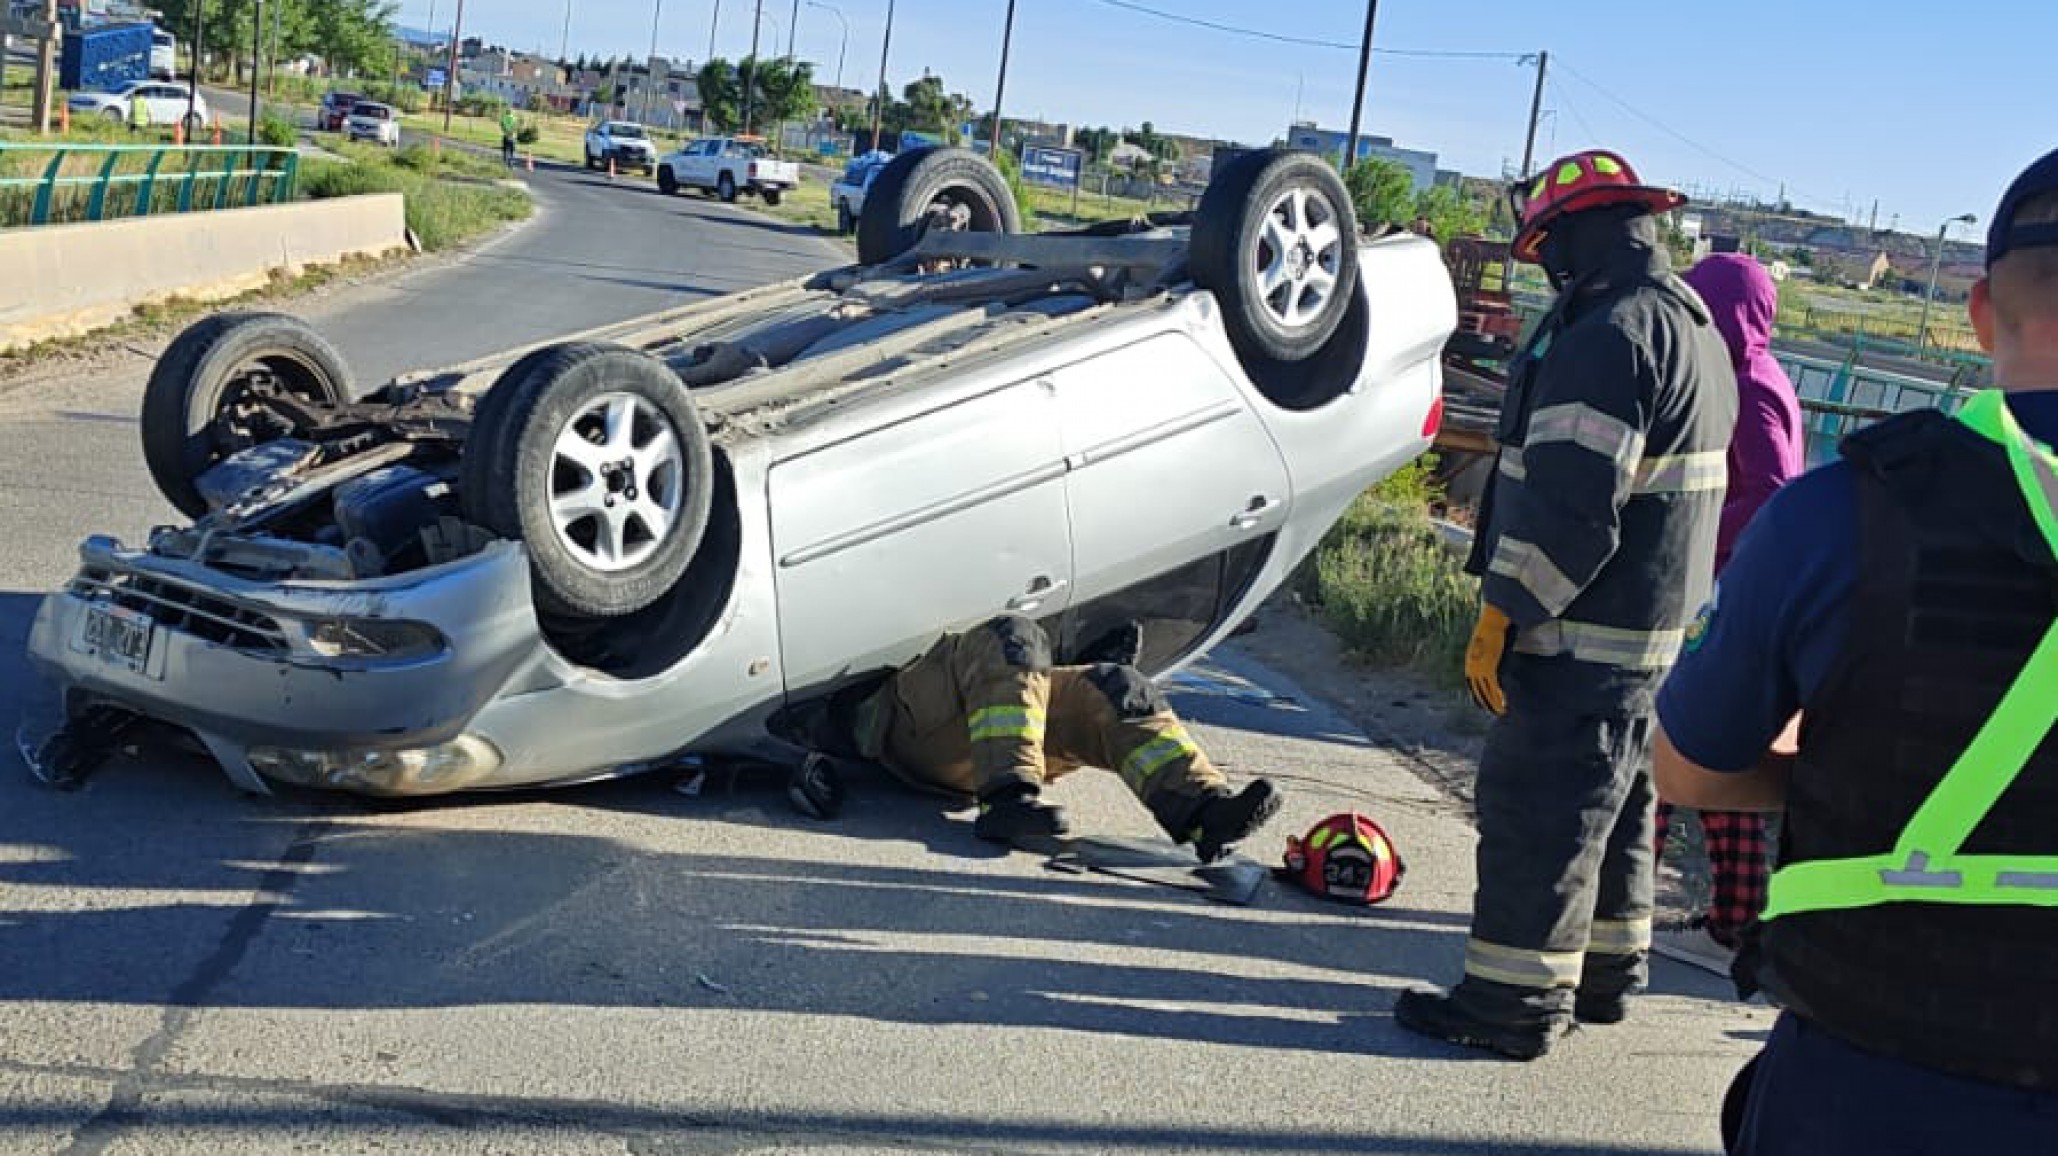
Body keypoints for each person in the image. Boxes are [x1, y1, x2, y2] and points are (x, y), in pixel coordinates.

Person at [1654, 149, 2058, 1153]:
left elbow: (1686, 764)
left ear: (1979, 313)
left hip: (1872, 1086)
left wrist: (1850, 771)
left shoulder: (1846, 515)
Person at [1392, 148, 1738, 1060]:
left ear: (1572, 239)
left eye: (1546, 244)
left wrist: (1508, 607)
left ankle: (1511, 1003)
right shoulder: (1692, 324)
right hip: (1658, 635)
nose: (1543, 263)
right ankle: (1607, 974)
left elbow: (1574, 508)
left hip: (1581, 634)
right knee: (1617, 806)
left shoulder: (1607, 334)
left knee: (1541, 812)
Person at [788, 615, 1282, 861]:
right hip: (897, 722)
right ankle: (1009, 798)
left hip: (977, 737)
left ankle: (1202, 813)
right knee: (1014, 636)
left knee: (1116, 686)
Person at [1652, 252, 1806, 975]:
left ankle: (1617, 900)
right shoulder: (1760, 375)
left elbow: (1770, 488)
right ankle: (1732, 918)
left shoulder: (1749, 384)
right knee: (1707, 753)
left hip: (1719, 594)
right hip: (1732, 590)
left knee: (1669, 746)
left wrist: (1692, 533)